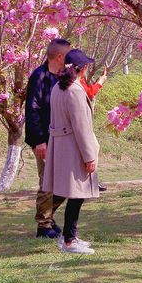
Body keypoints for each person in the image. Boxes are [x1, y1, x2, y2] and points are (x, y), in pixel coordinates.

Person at [42, 48, 102, 254]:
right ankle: (69, 241)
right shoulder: (75, 90)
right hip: (72, 147)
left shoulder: (59, 87)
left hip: (61, 145)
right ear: (82, 68)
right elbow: (81, 126)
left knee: (74, 194)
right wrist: (89, 156)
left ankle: (69, 236)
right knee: (76, 194)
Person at [24, 38, 72, 238]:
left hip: (62, 138)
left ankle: (48, 218)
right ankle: (43, 226)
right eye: (68, 55)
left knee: (66, 182)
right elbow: (32, 110)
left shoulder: (63, 76)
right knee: (48, 182)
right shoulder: (39, 76)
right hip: (45, 139)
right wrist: (39, 141)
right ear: (59, 56)